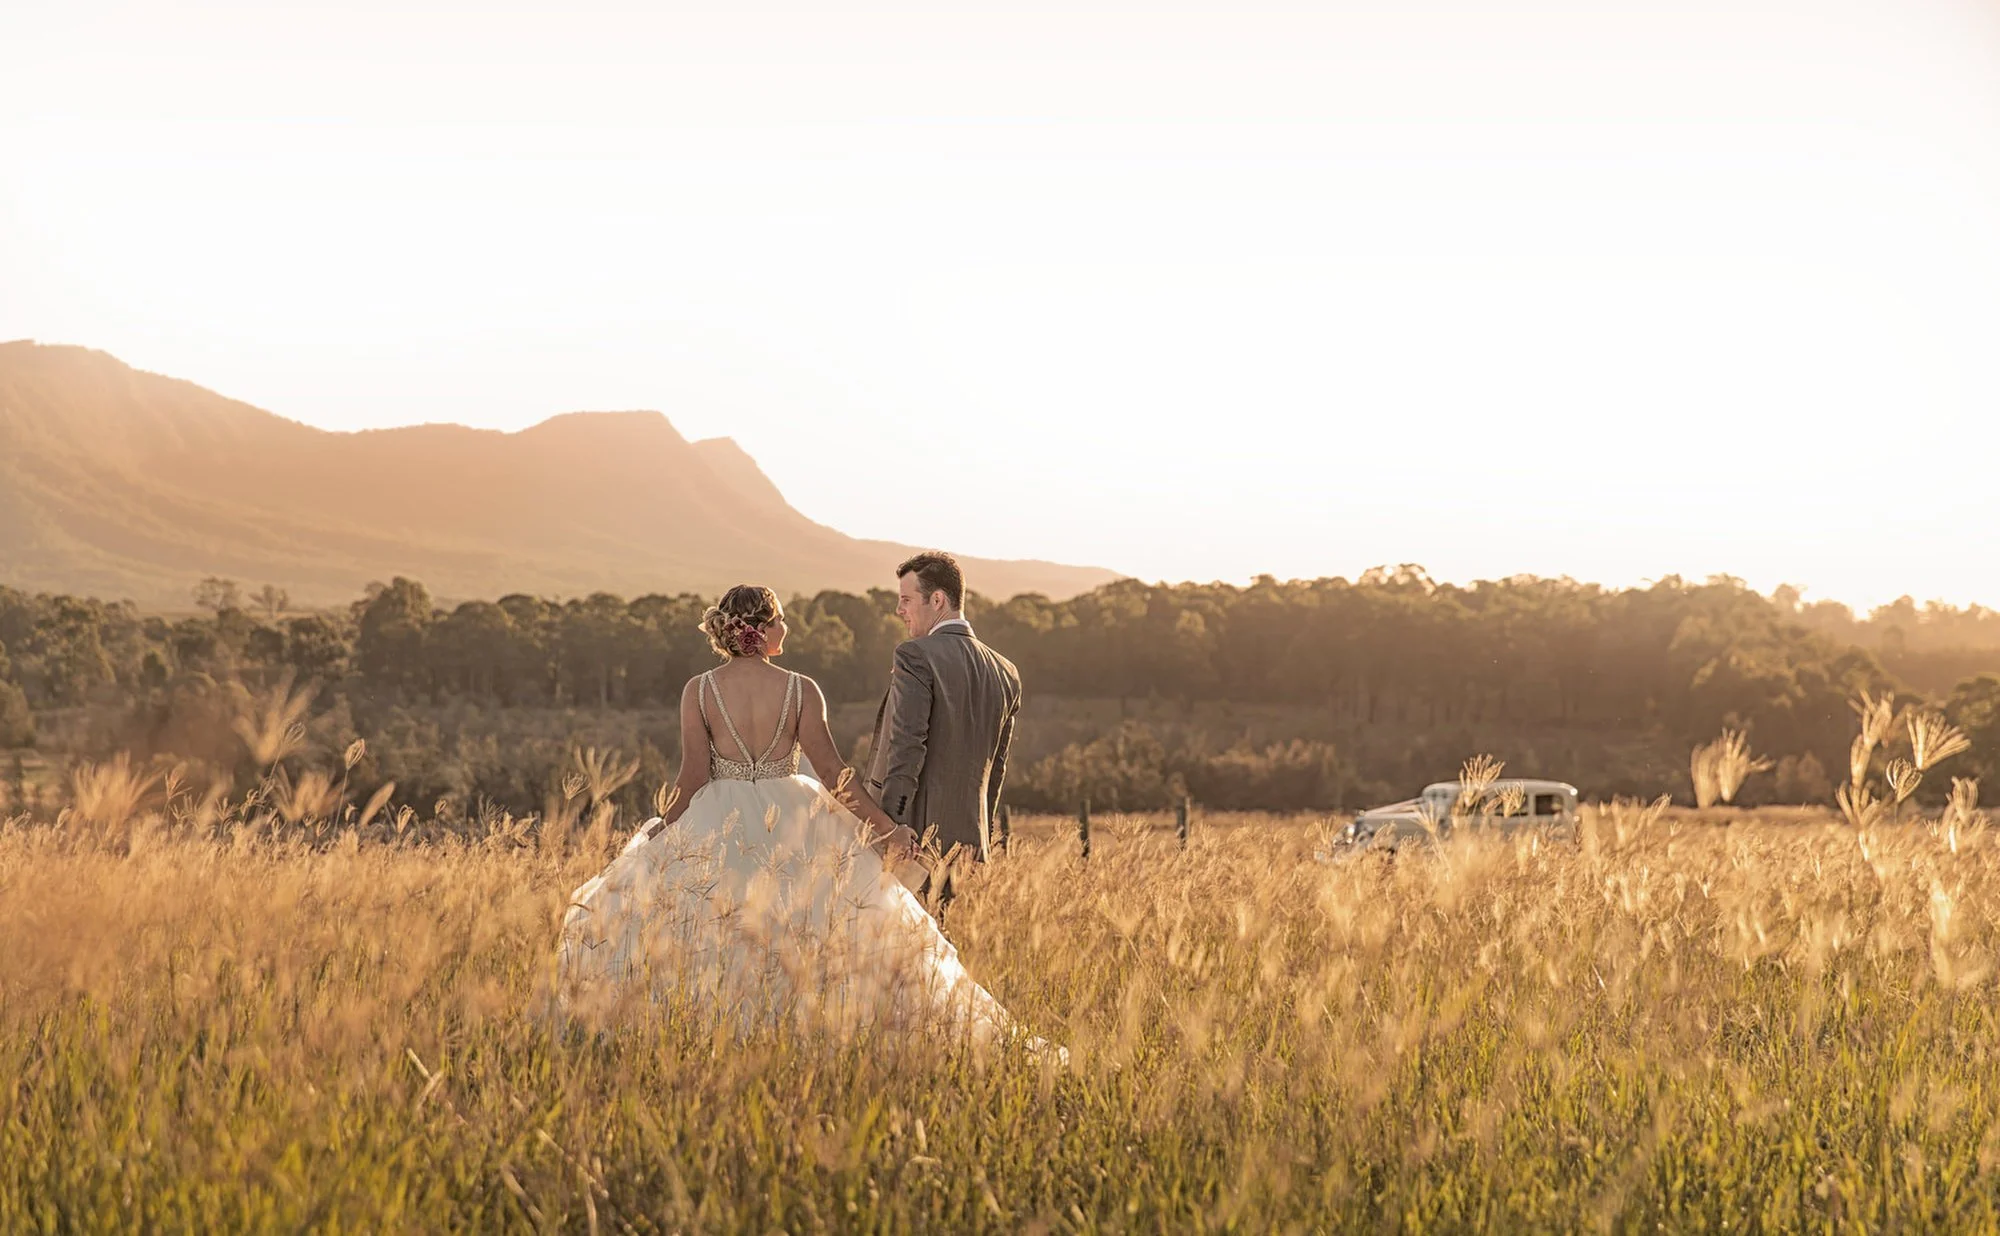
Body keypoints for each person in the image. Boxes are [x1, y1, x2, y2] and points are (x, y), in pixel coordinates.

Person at [555, 584, 1035, 1050]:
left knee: (718, 932)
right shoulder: (801, 689)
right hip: (794, 820)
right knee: (808, 926)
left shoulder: (698, 691)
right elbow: (834, 775)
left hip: (716, 822)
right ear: (763, 629)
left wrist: (662, 828)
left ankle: (717, 1032)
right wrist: (887, 830)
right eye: (780, 618)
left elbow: (692, 776)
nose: (786, 626)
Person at [848, 551, 1022, 907]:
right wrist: (983, 837)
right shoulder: (1006, 672)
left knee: (905, 953)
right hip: (973, 846)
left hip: (913, 842)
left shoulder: (916, 655)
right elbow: (997, 769)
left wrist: (889, 828)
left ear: (938, 599)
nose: (900, 610)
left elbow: (906, 747)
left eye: (906, 600)